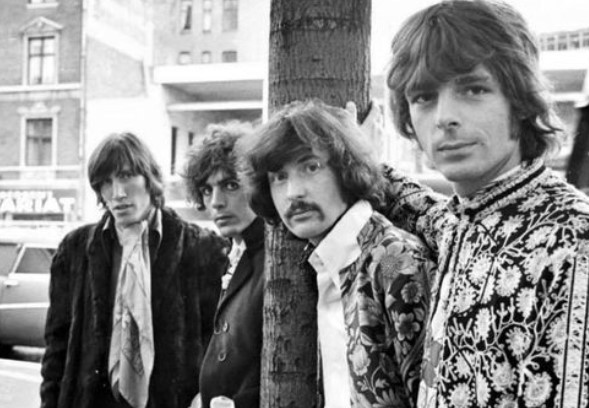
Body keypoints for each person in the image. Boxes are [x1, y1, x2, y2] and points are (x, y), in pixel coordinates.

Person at [378, 1, 589, 408]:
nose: (444, 117)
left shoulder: (577, 240)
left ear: (520, 100)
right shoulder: (461, 222)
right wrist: (361, 162)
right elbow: (422, 208)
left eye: (474, 89)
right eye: (423, 97)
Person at [243, 100, 434, 407]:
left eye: (311, 167)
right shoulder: (328, 263)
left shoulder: (395, 261)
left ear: (348, 170)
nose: (293, 192)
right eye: (279, 176)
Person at [40, 132, 227, 408]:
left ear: (149, 179)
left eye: (126, 176)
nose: (117, 193)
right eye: (105, 182)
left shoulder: (202, 248)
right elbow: (56, 347)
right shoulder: (75, 249)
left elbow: (218, 345)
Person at [182, 122, 263, 408]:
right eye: (206, 190)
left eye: (230, 185)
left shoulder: (275, 259)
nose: (216, 202)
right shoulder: (233, 252)